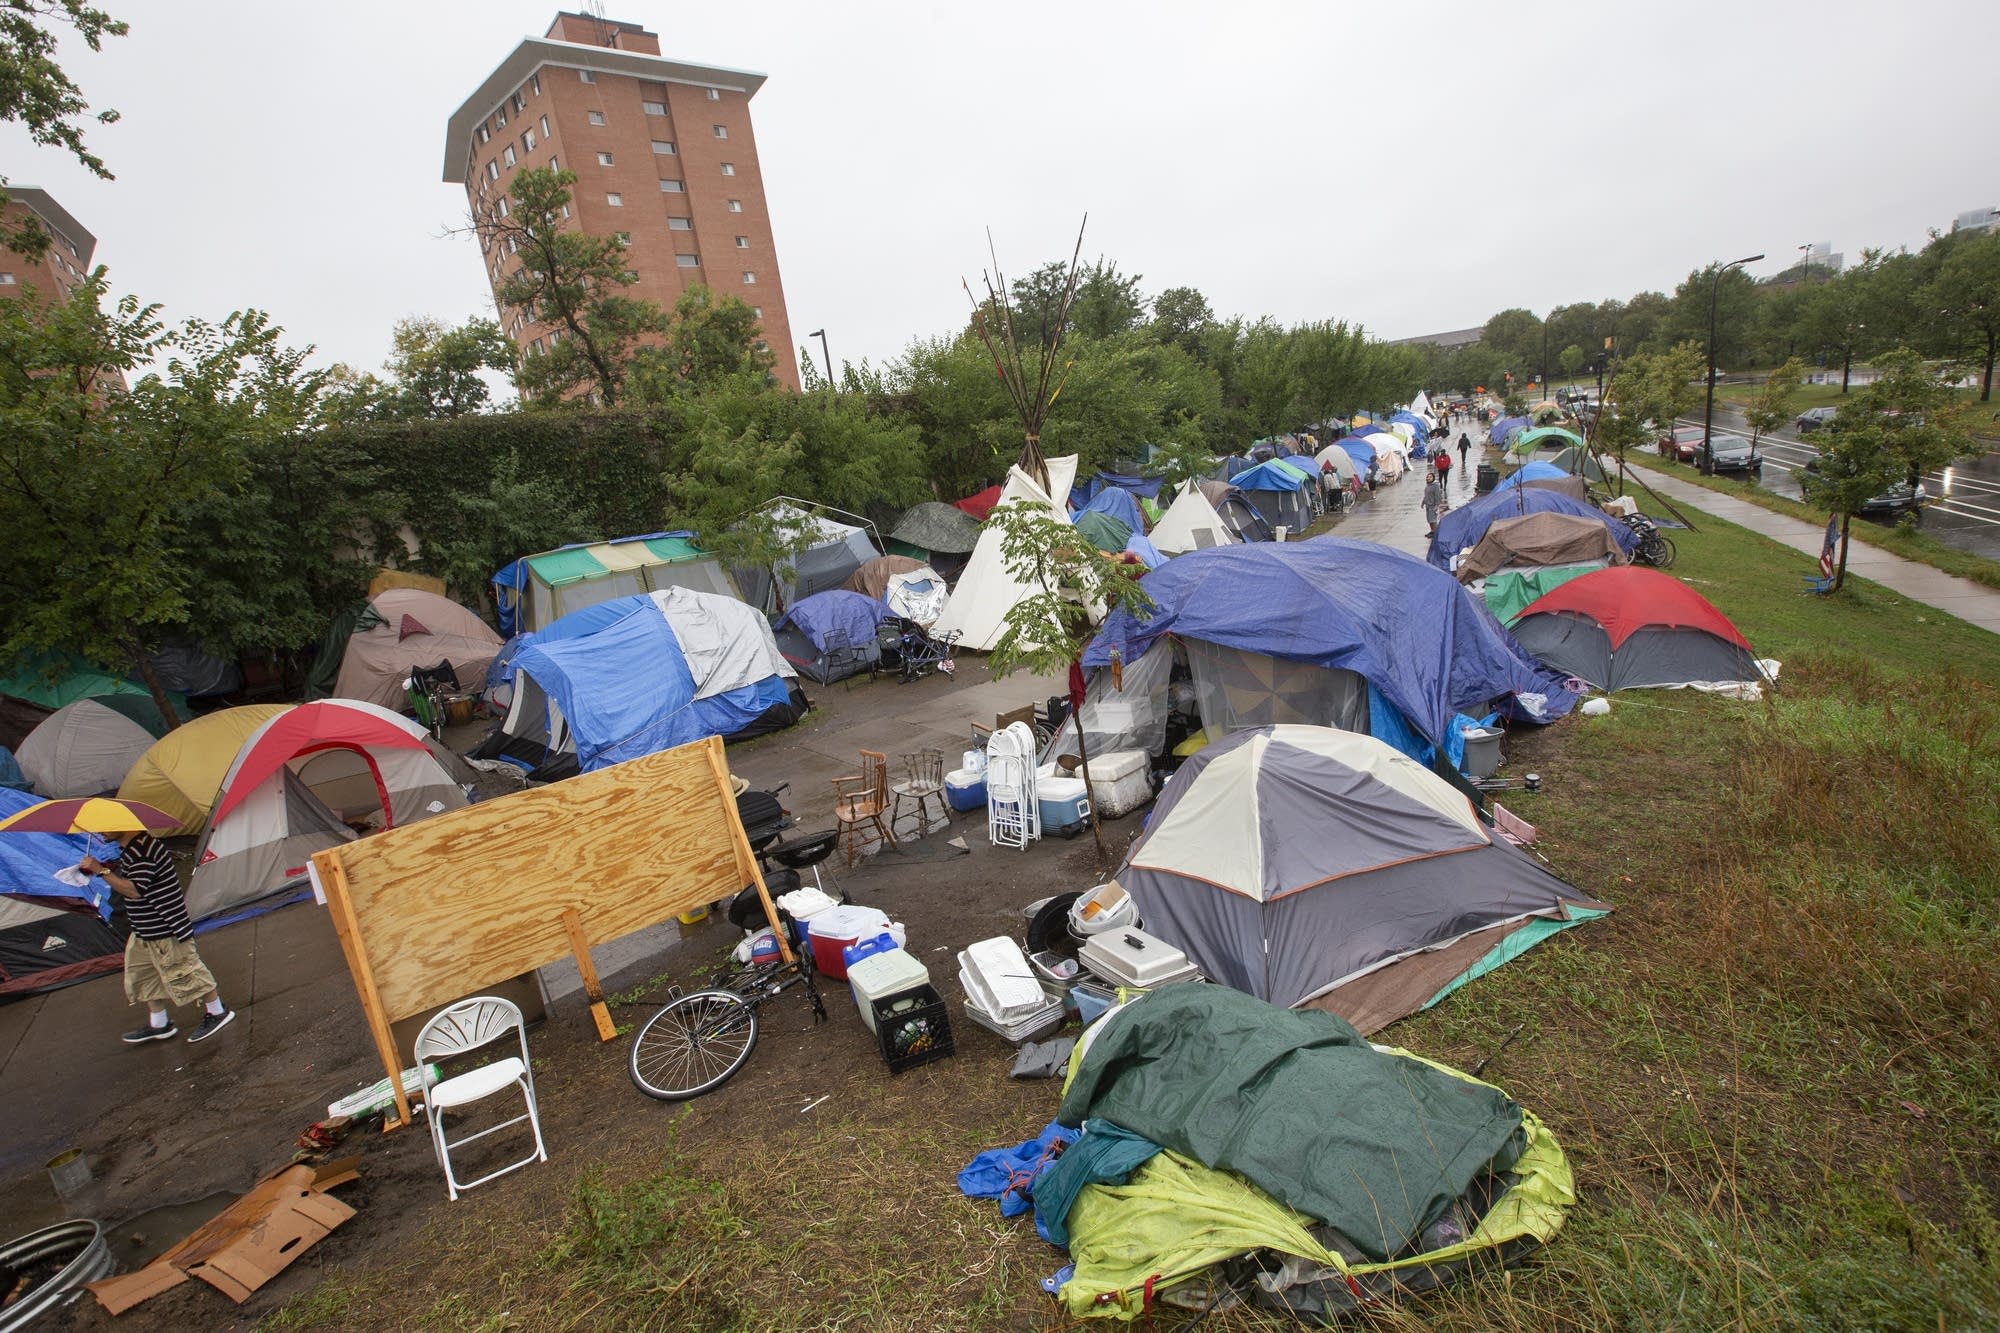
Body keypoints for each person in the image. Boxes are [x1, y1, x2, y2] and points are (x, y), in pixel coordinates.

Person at [80, 830, 235, 1045]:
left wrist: (101, 870)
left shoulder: (144, 850)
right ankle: (159, 1024)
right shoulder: (130, 848)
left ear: (122, 826)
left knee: (185, 971)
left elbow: (134, 890)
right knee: (144, 975)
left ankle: (218, 1011)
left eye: (106, 827)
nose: (102, 832)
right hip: (144, 929)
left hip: (164, 927)